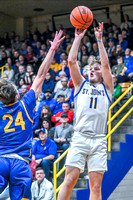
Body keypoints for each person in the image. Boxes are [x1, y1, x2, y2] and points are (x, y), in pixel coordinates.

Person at [0, 30, 65, 199]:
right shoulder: (25, 103)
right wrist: (52, 50)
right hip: (20, 164)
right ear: (16, 95)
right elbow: (41, 74)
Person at [58, 23, 113, 200]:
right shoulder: (80, 85)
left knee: (95, 186)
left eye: (96, 69)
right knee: (70, 179)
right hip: (80, 136)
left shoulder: (107, 88)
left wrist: (99, 39)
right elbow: (71, 61)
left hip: (98, 139)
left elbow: (105, 64)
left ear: (102, 74)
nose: (92, 70)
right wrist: (78, 38)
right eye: (90, 69)